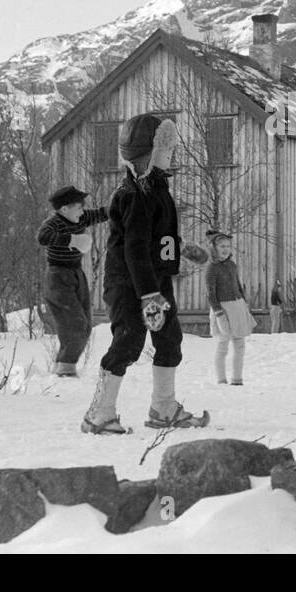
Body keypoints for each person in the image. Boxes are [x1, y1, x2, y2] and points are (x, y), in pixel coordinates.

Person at [81, 113, 208, 434]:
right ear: (152, 153)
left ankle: (164, 407)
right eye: (168, 149)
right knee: (128, 341)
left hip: (156, 282)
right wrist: (149, 297)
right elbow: (134, 250)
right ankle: (100, 413)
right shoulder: (134, 195)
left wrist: (181, 248)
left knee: (169, 339)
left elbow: (154, 238)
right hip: (130, 285)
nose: (173, 154)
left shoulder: (156, 189)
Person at [36, 184, 106, 377]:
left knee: (85, 325)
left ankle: (65, 365)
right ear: (64, 209)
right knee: (74, 324)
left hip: (77, 274)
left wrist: (121, 206)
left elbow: (102, 214)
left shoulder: (80, 218)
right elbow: (42, 237)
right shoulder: (53, 223)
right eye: (79, 207)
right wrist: (73, 241)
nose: (82, 211)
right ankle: (65, 370)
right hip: (58, 277)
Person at [204, 230, 254, 385]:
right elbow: (210, 294)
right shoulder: (212, 268)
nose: (226, 249)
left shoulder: (232, 265)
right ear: (214, 248)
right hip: (223, 309)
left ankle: (237, 379)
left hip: (237, 306)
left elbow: (238, 285)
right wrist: (219, 314)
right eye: (222, 246)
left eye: (228, 246)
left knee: (240, 345)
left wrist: (244, 304)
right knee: (223, 345)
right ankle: (221, 380)